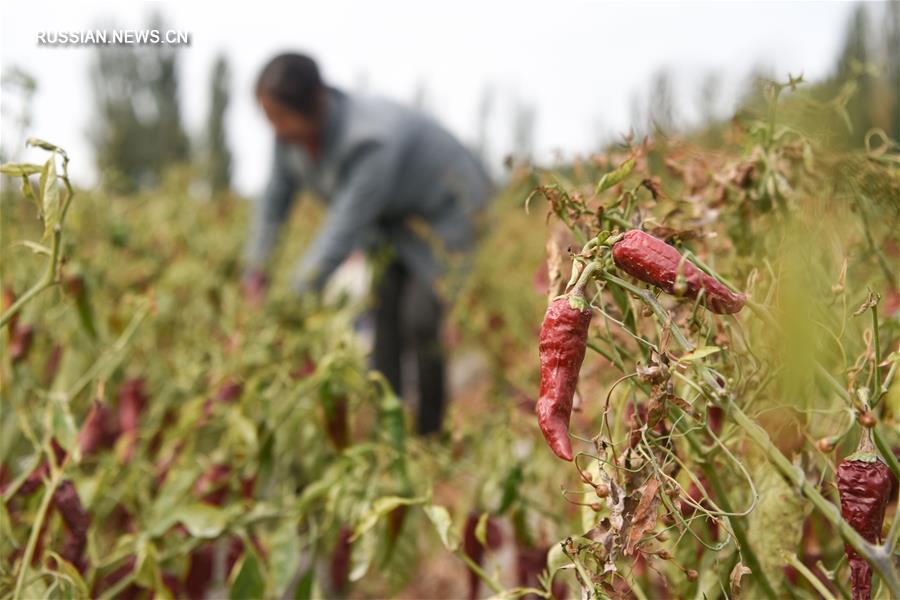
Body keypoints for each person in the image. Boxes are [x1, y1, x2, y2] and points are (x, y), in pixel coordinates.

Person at [243, 52, 493, 436]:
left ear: (312, 103)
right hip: (392, 221)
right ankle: (389, 435)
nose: (275, 129)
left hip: (446, 213)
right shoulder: (288, 140)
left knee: (421, 317)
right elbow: (274, 202)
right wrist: (256, 269)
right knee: (385, 315)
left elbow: (342, 228)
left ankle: (430, 433)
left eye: (279, 116)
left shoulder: (370, 139)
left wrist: (291, 299)